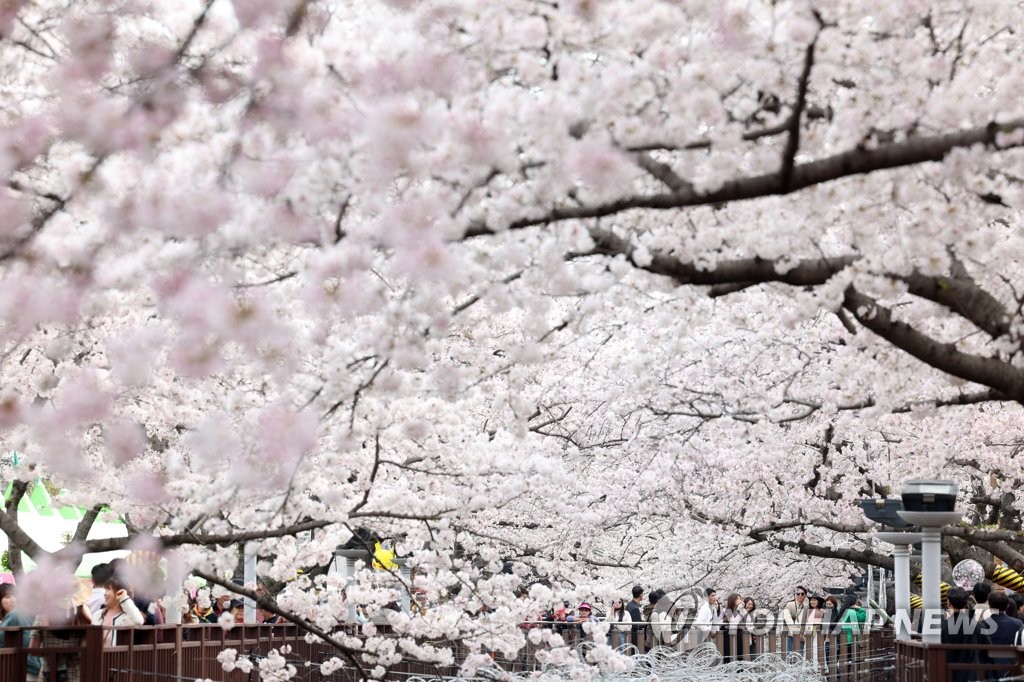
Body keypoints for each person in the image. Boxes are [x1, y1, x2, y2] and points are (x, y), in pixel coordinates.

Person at [941, 586, 989, 682]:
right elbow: (988, 650)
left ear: (949, 603)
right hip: (972, 676)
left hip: (947, 675)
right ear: (966, 603)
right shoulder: (978, 626)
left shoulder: (942, 627)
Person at [1, 584, 42, 681]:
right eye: (8, 597)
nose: (13, 600)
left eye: (15, 596)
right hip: (35, 666)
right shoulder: (25, 613)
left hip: (25, 668)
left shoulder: (15, 614)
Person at [979, 591, 1024, 675]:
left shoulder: (981, 625)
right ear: (1007, 605)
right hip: (1011, 667)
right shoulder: (1018, 624)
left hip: (988, 668)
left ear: (989, 605)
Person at [94, 576, 145, 646]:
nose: (105, 593)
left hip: (114, 656)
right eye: (105, 589)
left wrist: (124, 599)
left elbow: (138, 620)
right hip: (96, 656)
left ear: (119, 593)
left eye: (108, 589)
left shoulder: (126, 617)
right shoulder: (98, 614)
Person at [782, 586, 809, 654]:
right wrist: (795, 632)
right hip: (790, 634)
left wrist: (804, 634)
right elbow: (787, 618)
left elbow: (807, 622)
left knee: (800, 655)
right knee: (789, 655)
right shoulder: (790, 604)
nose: (800, 595)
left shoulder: (806, 607)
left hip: (801, 635)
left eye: (802, 594)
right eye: (798, 594)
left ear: (805, 596)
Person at [626, 585, 644, 651]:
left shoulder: (629, 605)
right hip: (634, 635)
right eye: (642, 594)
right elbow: (636, 624)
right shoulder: (635, 608)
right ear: (640, 595)